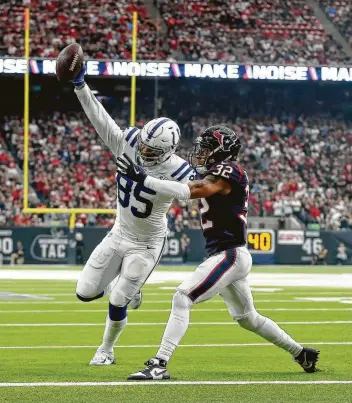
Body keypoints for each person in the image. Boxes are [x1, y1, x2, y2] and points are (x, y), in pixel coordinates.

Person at [116, 125, 320, 380]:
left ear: (222, 151)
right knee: (248, 318)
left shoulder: (230, 170)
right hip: (228, 254)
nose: (201, 152)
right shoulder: (216, 172)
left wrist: (143, 178)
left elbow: (196, 190)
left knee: (182, 297)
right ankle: (301, 353)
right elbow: (187, 185)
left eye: (206, 148)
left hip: (230, 254)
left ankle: (159, 363)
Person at [71, 66, 195, 366]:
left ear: (169, 151)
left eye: (151, 150)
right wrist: (80, 85)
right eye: (142, 145)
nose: (143, 152)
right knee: (85, 293)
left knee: (117, 301)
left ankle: (106, 349)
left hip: (147, 242)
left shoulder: (179, 170)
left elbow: (187, 193)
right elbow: (100, 119)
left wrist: (146, 180)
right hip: (118, 233)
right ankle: (127, 289)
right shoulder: (128, 141)